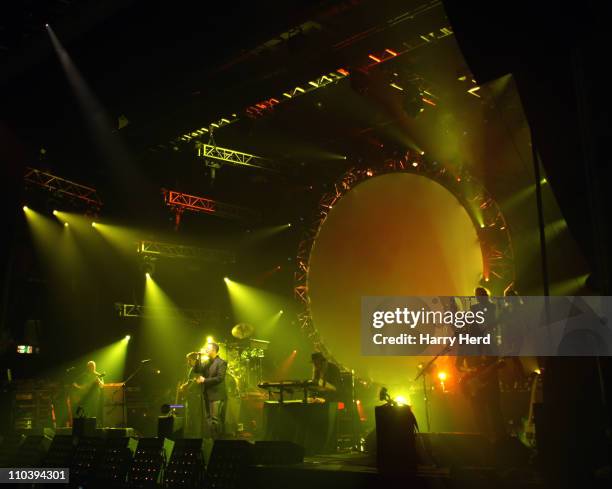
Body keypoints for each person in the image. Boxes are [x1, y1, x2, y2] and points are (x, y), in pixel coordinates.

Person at [455, 287, 505, 440]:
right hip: (476, 384)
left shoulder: (489, 343)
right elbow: (458, 365)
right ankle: (483, 440)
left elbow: (496, 361)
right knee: (479, 415)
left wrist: (494, 366)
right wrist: (469, 371)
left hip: (489, 382)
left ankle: (501, 439)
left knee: (494, 410)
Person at [194, 343, 227, 439]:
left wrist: (205, 380)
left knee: (215, 419)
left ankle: (218, 441)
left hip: (216, 395)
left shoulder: (221, 362)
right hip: (207, 395)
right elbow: (197, 370)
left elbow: (220, 378)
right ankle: (213, 440)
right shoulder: (207, 362)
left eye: (207, 348)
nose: (206, 350)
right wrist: (198, 358)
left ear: (214, 350)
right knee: (208, 419)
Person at [72, 360, 104, 425]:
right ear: (87, 367)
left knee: (94, 411)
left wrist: (99, 382)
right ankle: (85, 424)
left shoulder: (98, 375)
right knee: (85, 411)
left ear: (95, 367)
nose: (92, 368)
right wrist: (81, 388)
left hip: (95, 396)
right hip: (86, 396)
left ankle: (93, 425)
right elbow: (74, 383)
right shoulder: (84, 375)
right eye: (90, 366)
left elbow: (102, 386)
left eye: (93, 366)